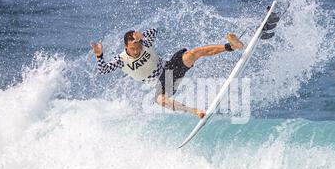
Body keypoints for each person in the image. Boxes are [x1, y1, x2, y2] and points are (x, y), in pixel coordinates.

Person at [90, 29, 244, 118]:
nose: (136, 50)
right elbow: (103, 70)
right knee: (160, 100)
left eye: (137, 46)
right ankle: (195, 111)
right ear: (126, 46)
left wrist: (142, 35)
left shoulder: (145, 43)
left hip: (170, 70)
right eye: (132, 48)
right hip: (161, 83)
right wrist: (99, 55)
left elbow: (154, 31)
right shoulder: (121, 60)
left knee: (193, 53)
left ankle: (232, 46)